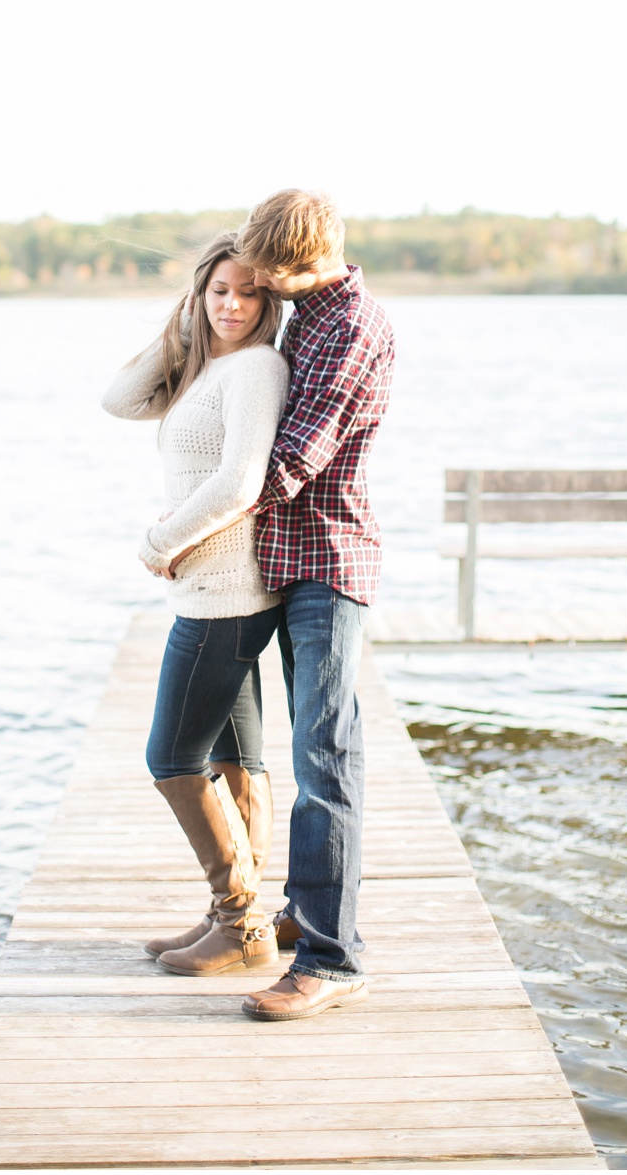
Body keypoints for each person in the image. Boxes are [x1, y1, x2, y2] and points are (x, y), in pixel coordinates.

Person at [203, 188, 397, 1023]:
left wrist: (194, 514)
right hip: (282, 559)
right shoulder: (308, 311)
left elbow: (290, 462)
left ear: (305, 260)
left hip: (328, 560)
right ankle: (300, 913)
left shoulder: (350, 327)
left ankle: (333, 958)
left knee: (326, 757)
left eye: (269, 274)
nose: (259, 287)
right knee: (297, 746)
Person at [102, 234, 289, 978]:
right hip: (220, 591)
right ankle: (235, 917)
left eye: (248, 292)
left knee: (171, 755)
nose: (233, 304)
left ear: (269, 301)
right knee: (234, 755)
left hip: (224, 593)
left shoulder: (255, 368)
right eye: (218, 290)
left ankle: (242, 922)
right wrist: (183, 324)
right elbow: (119, 399)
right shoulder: (209, 368)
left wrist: (159, 540)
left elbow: (242, 480)